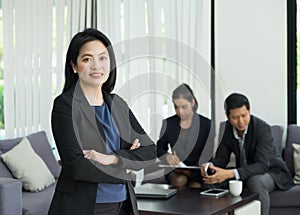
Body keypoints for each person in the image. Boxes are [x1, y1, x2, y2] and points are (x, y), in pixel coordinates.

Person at [48, 28, 156, 215]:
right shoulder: (65, 106)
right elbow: (76, 166)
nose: (96, 65)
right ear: (74, 65)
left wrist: (112, 158)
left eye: (102, 58)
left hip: (124, 204)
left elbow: (150, 151)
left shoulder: (117, 104)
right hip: (83, 206)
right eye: (87, 59)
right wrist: (125, 167)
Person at [201, 93, 294, 215]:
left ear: (249, 111)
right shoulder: (227, 129)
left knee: (255, 182)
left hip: (271, 172)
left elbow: (261, 165)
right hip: (245, 171)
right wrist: (210, 166)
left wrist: (230, 173)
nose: (240, 121)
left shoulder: (263, 128)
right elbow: (222, 158)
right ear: (228, 116)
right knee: (210, 180)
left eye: (244, 115)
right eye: (235, 117)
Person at [156, 83, 212, 188]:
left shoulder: (206, 125)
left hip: (197, 171)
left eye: (184, 107)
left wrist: (191, 171)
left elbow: (208, 155)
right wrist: (167, 156)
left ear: (193, 102)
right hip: (177, 170)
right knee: (179, 181)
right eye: (176, 107)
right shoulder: (168, 124)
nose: (180, 112)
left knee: (195, 186)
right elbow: (158, 148)